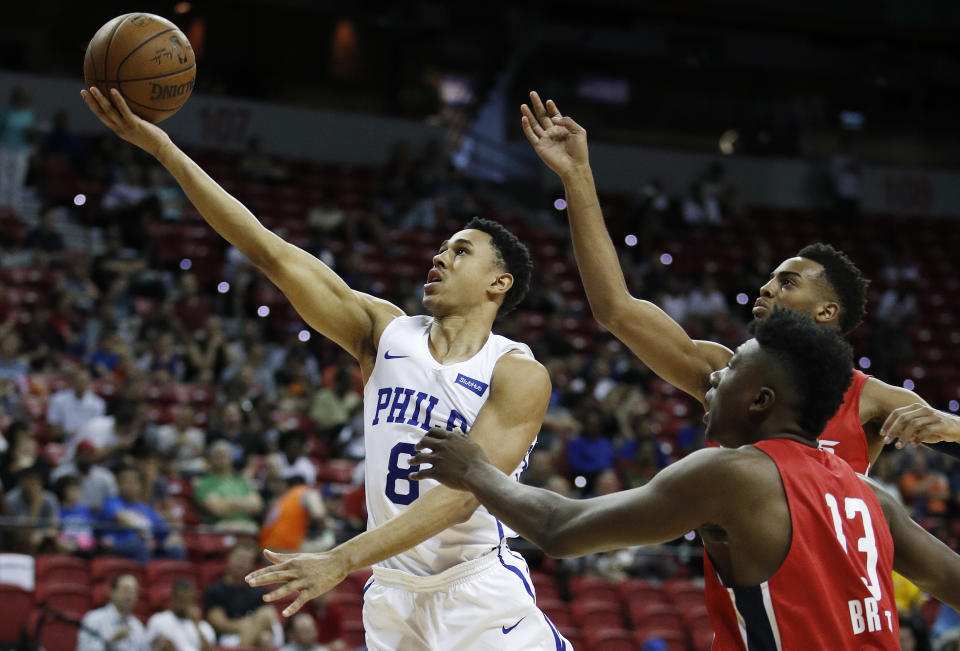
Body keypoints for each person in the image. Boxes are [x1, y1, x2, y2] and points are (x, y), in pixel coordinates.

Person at [84, 86, 561, 650]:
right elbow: (267, 250)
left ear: (498, 284)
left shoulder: (516, 372)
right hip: (391, 594)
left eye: (460, 251)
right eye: (440, 247)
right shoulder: (382, 332)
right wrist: (162, 148)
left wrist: (339, 559)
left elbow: (460, 497)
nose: (439, 256)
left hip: (477, 589)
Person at [411, 309, 960, 649]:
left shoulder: (735, 474)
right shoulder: (872, 498)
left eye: (732, 368)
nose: (714, 376)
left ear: (762, 400)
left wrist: (477, 470)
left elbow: (562, 527)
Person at [519, 91, 960, 468]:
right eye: (771, 279)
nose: (766, 288)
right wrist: (576, 176)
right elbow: (615, 308)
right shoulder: (722, 375)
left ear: (827, 311)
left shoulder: (872, 399)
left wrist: (951, 426)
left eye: (787, 283)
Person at [203, 541, 282, 648]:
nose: (242, 563)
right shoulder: (215, 591)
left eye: (247, 560)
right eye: (239, 558)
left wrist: (253, 627)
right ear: (229, 558)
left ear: (251, 565)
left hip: (256, 635)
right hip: (229, 637)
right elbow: (218, 623)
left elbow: (270, 617)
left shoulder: (259, 590)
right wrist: (249, 626)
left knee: (265, 634)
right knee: (262, 637)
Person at [78, 573, 148, 651]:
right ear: (112, 592)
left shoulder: (137, 627)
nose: (130, 596)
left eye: (134, 592)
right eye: (125, 590)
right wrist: (110, 642)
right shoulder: (94, 619)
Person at [145, 578, 216, 651]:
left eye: (188, 600)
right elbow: (148, 647)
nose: (184, 604)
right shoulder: (158, 621)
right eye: (181, 599)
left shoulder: (204, 627)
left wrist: (196, 626)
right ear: (173, 597)